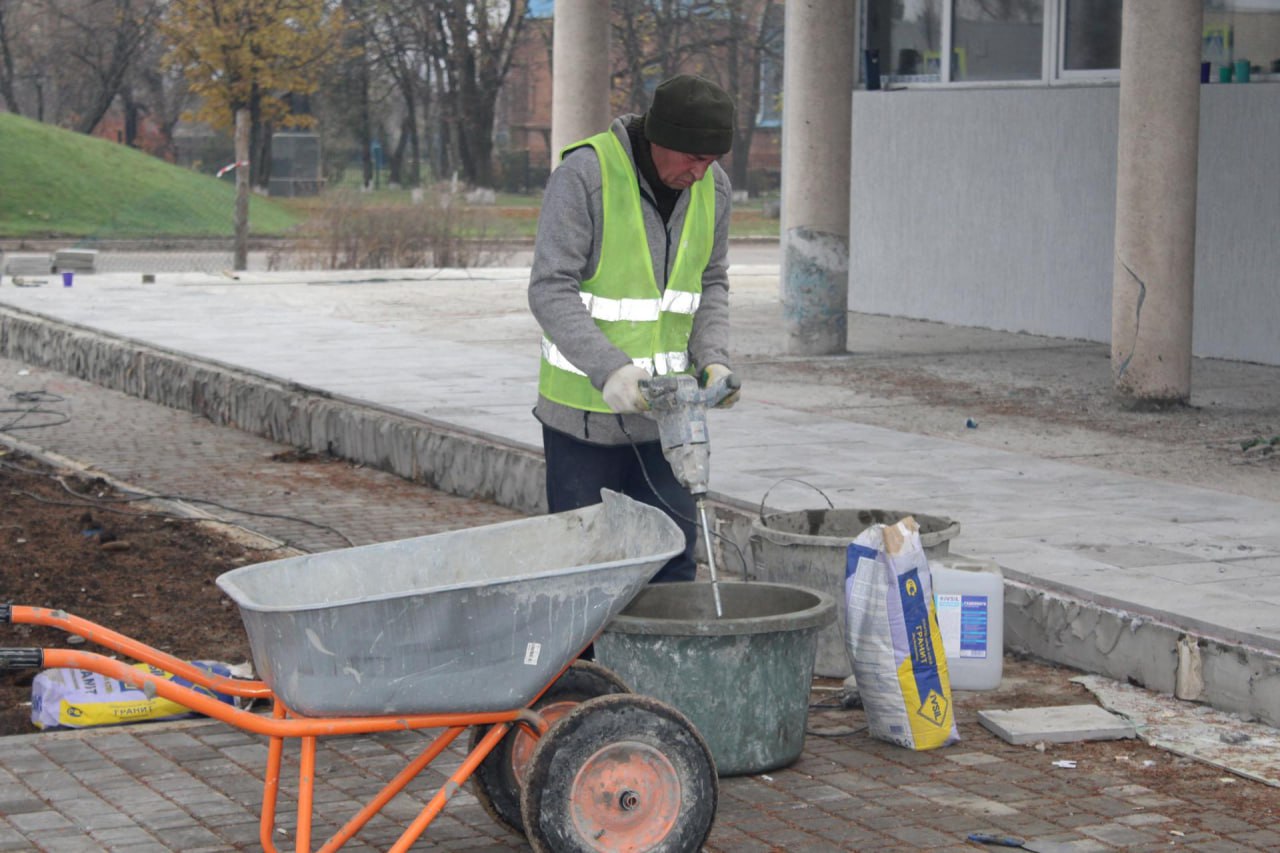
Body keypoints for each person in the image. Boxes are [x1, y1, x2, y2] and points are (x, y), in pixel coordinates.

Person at [529, 74, 740, 584]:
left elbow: (711, 281)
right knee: (585, 572)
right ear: (658, 138)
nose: (700, 171)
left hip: (669, 422)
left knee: (672, 565)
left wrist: (714, 357)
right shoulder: (586, 175)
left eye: (711, 161)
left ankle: (662, 666)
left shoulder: (714, 188)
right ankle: (587, 668)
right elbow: (549, 287)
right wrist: (612, 372)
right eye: (692, 158)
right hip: (583, 421)